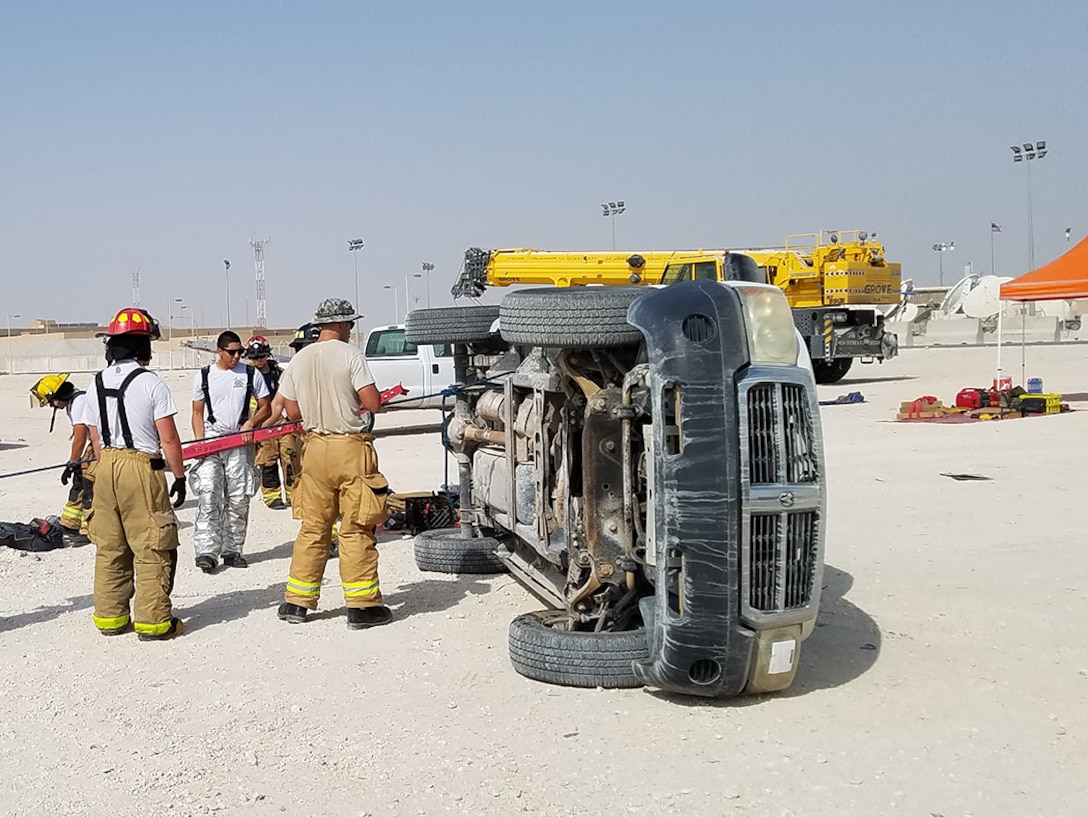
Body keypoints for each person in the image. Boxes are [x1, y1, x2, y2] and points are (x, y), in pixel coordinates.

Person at [276, 298, 392, 629]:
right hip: (349, 449)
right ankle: (362, 606)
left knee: (314, 527)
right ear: (341, 325)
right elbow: (372, 403)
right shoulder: (350, 354)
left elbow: (293, 412)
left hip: (313, 450)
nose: (351, 330)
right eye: (351, 325)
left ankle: (296, 603)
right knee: (356, 526)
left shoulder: (299, 359)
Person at [83, 307, 186, 640]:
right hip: (141, 466)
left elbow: (95, 437)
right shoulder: (152, 384)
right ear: (143, 346)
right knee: (152, 544)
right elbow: (168, 438)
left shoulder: (94, 383)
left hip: (105, 464)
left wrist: (104, 470)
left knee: (110, 545)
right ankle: (154, 621)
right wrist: (179, 476)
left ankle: (110, 618)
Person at [189, 331, 271, 573]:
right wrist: (200, 442)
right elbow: (196, 412)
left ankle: (233, 550)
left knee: (238, 497)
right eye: (232, 352)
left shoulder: (250, 374)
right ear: (220, 351)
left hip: (240, 440)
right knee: (209, 493)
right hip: (213, 440)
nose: (236, 356)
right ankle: (206, 551)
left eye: (239, 352)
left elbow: (266, 406)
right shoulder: (204, 376)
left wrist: (251, 423)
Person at [30, 373, 94, 546]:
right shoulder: (75, 402)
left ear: (58, 396)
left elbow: (80, 437)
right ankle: (71, 523)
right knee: (82, 480)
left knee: (88, 483)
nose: (53, 406)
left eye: (51, 402)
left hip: (104, 445)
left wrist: (72, 463)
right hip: (98, 444)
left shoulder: (79, 402)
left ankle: (86, 531)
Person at [245, 334, 298, 510]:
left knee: (290, 458)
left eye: (261, 356)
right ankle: (272, 496)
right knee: (267, 461)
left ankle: (293, 494)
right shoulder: (248, 377)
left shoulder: (279, 374)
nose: (259, 361)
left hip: (283, 422)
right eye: (254, 358)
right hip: (261, 422)